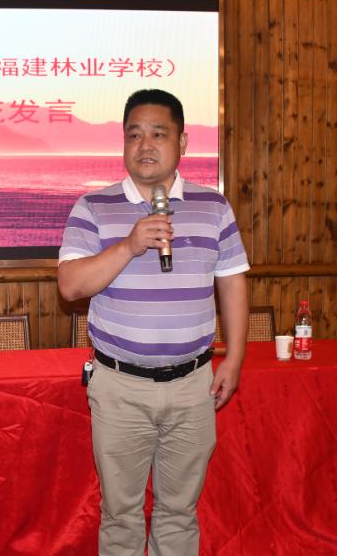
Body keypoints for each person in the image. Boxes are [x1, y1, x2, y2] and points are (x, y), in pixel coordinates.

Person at [57, 88, 249, 555]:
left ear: (182, 143)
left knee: (179, 512)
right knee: (120, 514)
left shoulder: (214, 206)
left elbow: (232, 283)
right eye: (134, 135)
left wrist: (235, 359)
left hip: (194, 385)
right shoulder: (92, 207)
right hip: (120, 386)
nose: (145, 145)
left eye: (158, 134)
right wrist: (128, 245)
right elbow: (71, 286)